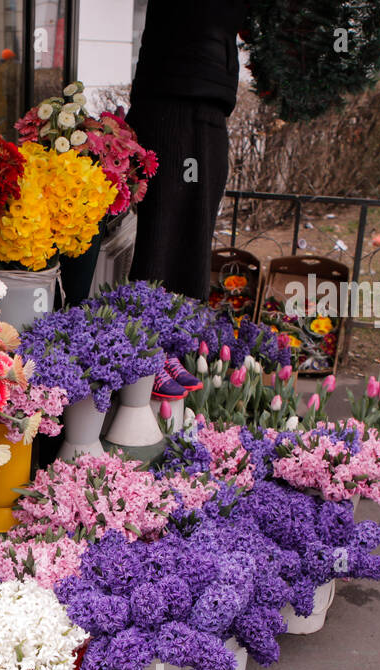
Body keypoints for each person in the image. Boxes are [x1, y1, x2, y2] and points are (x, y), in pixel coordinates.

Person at [126, 0, 248, 399]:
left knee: (195, 238)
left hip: (208, 104)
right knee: (162, 237)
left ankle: (171, 348)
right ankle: (147, 354)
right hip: (174, 100)